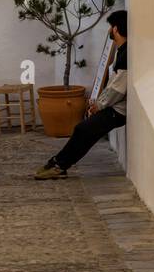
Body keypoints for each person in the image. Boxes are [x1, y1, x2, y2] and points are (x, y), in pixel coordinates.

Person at [35, 10, 128, 179]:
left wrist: (99, 105)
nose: (109, 31)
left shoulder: (125, 53)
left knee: (83, 130)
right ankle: (59, 163)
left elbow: (118, 88)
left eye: (110, 27)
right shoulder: (122, 50)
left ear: (115, 29)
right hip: (113, 107)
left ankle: (59, 165)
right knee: (85, 131)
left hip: (118, 111)